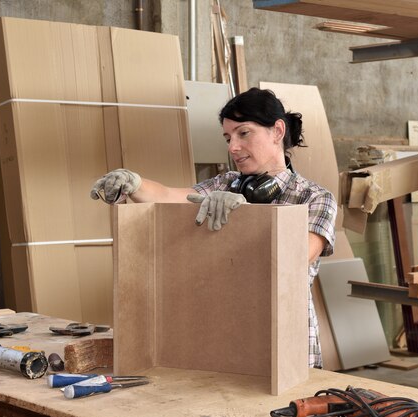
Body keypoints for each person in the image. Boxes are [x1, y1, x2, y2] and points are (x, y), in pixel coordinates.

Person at [90, 87, 337, 368]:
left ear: (277, 131)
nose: (233, 147)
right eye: (228, 138)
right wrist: (134, 182)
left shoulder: (315, 198)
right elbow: (170, 197)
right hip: (229, 336)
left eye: (243, 133)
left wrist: (244, 214)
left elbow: (295, 256)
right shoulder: (225, 184)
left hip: (288, 343)